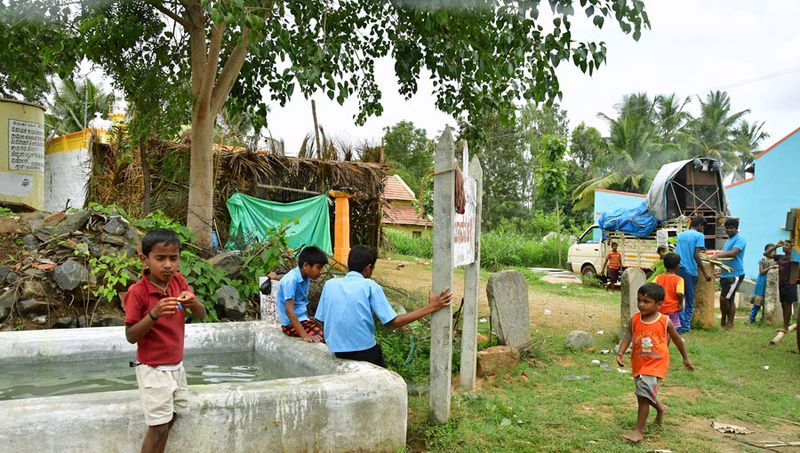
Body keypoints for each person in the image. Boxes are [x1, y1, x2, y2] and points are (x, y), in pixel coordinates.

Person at [124, 228, 207, 453]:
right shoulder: (138, 292)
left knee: (171, 419)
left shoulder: (178, 281)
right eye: (160, 258)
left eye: (173, 258)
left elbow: (202, 314)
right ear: (145, 259)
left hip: (176, 366)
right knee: (158, 426)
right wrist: (154, 314)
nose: (168, 264)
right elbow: (131, 335)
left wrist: (193, 301)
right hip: (153, 368)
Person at [315, 245, 452, 367]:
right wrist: (432, 306)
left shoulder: (330, 285)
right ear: (368, 268)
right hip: (364, 350)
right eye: (373, 268)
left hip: (337, 350)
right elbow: (393, 322)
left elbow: (320, 319)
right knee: (384, 376)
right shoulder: (370, 286)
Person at [617, 282, 694, 443]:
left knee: (642, 396)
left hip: (656, 364)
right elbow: (628, 336)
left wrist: (685, 358)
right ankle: (660, 408)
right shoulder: (635, 319)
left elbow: (677, 340)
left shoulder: (665, 321)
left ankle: (638, 431)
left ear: (659, 304)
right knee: (644, 392)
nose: (641, 304)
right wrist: (621, 352)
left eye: (646, 301)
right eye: (639, 300)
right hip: (639, 363)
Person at [276, 245, 328, 342]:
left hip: (302, 319)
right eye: (319, 268)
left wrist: (307, 317)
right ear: (305, 266)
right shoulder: (291, 280)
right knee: (322, 338)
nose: (321, 272)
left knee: (328, 332)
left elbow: (300, 303)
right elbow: (289, 310)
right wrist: (304, 335)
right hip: (289, 325)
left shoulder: (304, 277)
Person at [675, 216, 712, 334]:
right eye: (703, 227)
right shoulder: (699, 236)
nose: (703, 229)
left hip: (679, 268)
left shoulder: (681, 235)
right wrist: (705, 273)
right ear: (700, 225)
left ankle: (678, 324)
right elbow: (696, 255)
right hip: (690, 270)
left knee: (680, 298)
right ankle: (685, 327)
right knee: (690, 300)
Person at [713, 218, 746, 330]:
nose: (729, 230)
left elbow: (734, 253)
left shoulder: (740, 239)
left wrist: (718, 255)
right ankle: (728, 323)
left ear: (736, 229)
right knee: (729, 298)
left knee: (724, 298)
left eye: (732, 228)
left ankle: (726, 321)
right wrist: (719, 269)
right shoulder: (728, 240)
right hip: (725, 274)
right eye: (727, 228)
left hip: (735, 274)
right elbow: (726, 256)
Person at [765, 240, 798, 334]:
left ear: (791, 247)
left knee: (788, 304)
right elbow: (766, 254)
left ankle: (785, 327)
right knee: (783, 304)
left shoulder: (794, 257)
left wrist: (795, 247)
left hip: (790, 284)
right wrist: (776, 246)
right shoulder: (781, 257)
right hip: (782, 284)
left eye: (786, 245)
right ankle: (785, 325)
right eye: (783, 245)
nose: (784, 246)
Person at [654, 253, 685, 333]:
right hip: (672, 309)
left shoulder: (658, 278)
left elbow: (652, 288)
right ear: (677, 266)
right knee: (672, 329)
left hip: (660, 308)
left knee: (661, 327)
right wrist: (681, 304)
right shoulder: (679, 279)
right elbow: (679, 293)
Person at [749, 244, 776, 323]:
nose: (772, 252)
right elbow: (761, 272)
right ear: (766, 251)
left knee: (767, 302)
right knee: (757, 302)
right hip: (762, 282)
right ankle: (751, 318)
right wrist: (770, 268)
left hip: (771, 282)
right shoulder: (762, 260)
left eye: (774, 250)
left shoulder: (776, 261)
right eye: (770, 250)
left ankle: (763, 319)